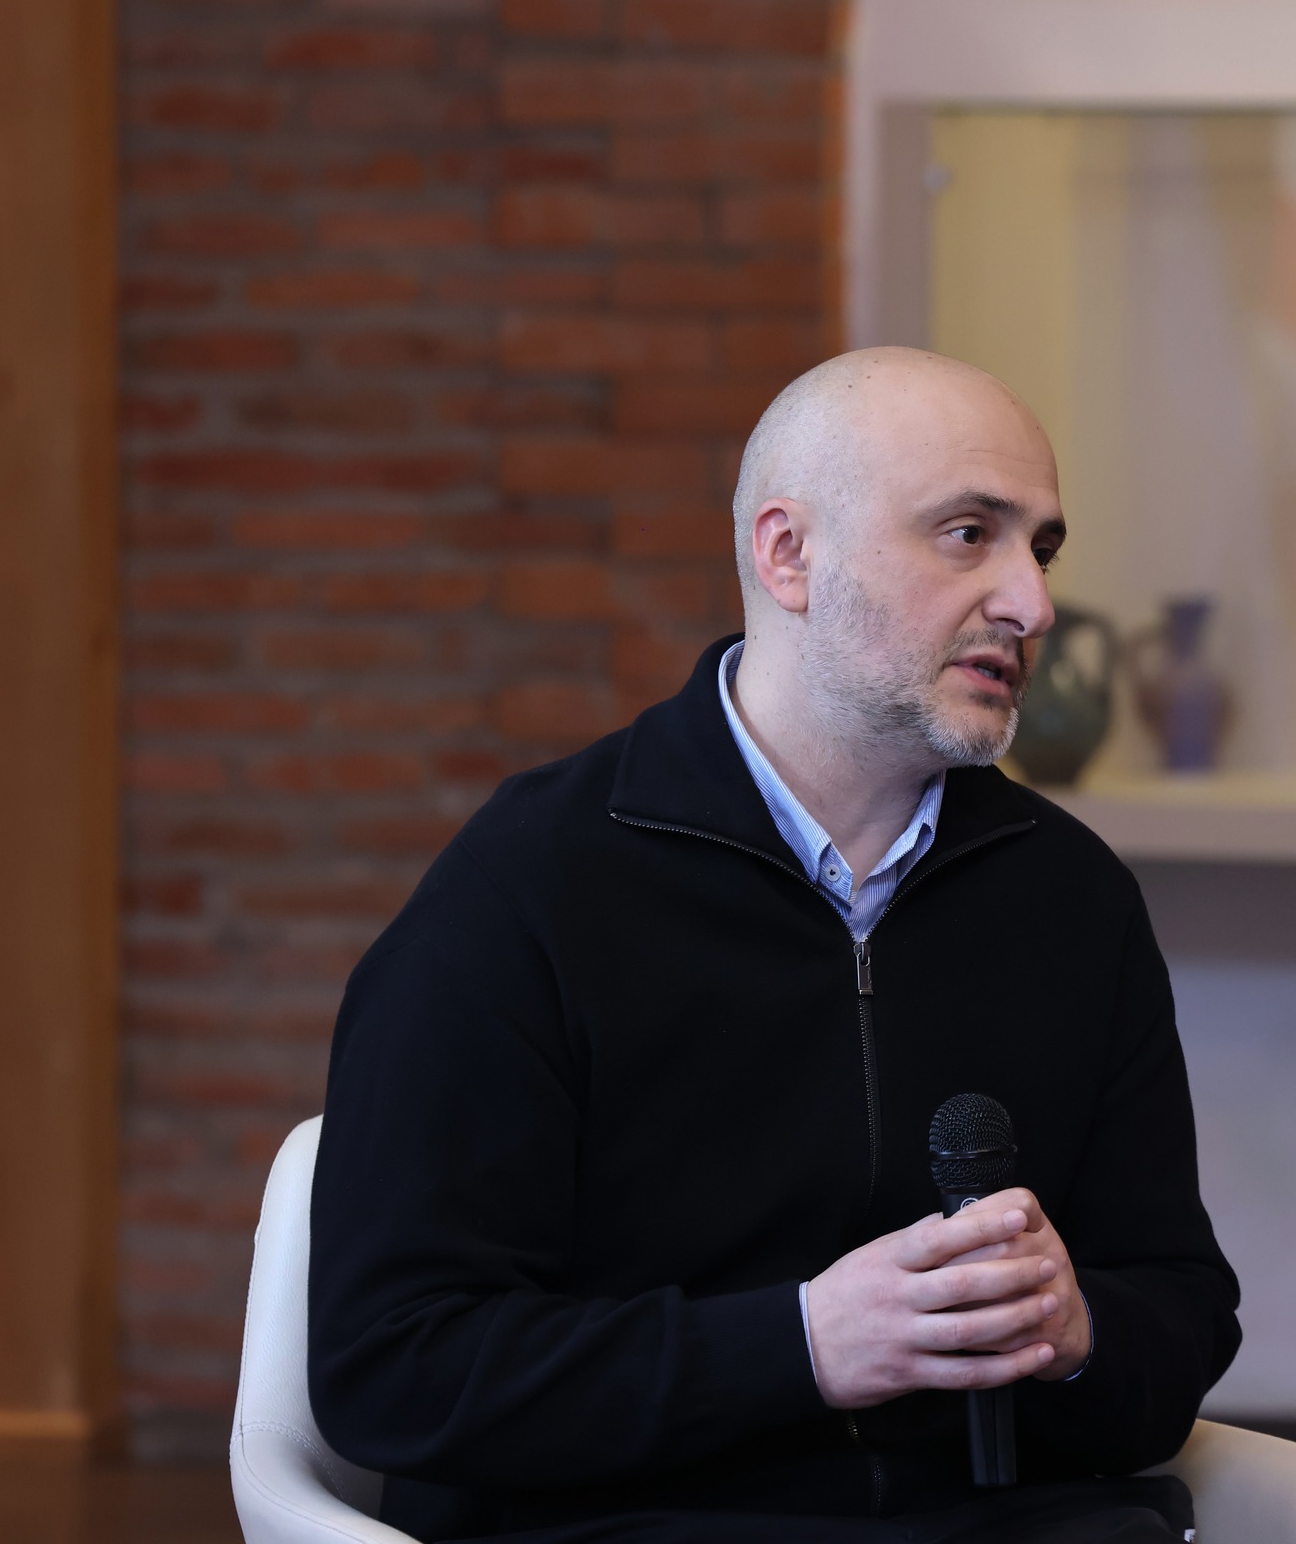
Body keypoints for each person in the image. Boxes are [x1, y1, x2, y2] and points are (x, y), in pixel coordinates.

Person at [308, 348, 1241, 1543]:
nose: (1031, 604)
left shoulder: (1070, 897)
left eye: (1039, 549)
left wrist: (1076, 1333)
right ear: (787, 554)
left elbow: (1178, 1309)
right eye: (968, 535)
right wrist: (797, 1345)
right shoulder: (528, 885)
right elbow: (392, 1365)